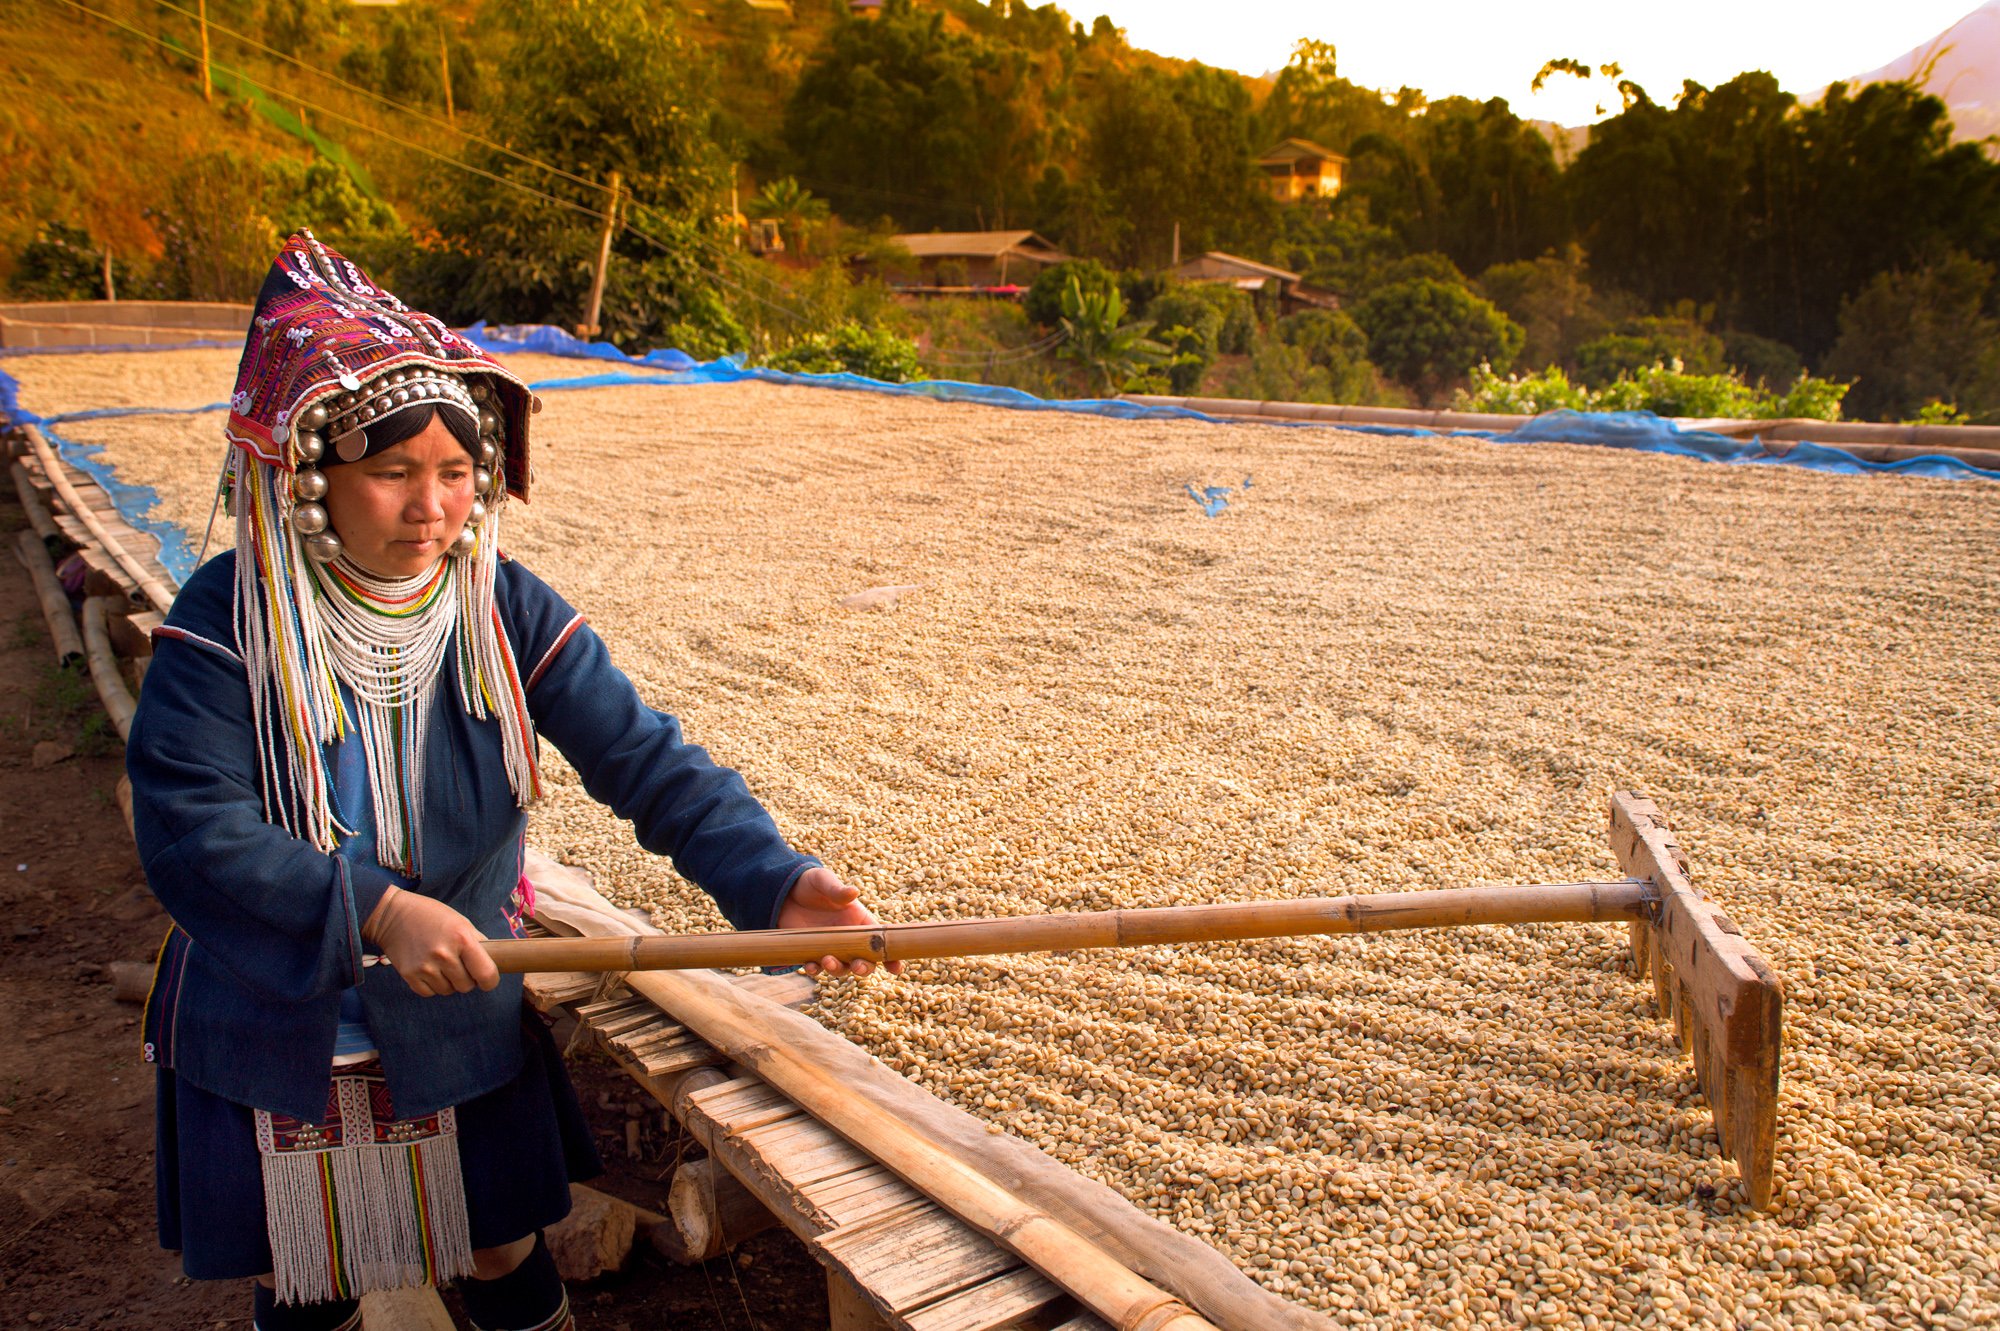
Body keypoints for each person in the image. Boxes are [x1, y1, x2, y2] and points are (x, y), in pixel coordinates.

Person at [129, 231, 893, 1331]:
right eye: (391, 472)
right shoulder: (230, 619)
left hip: (452, 1003)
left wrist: (771, 879)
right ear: (309, 476)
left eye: (453, 472)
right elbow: (192, 823)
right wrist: (377, 910)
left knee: (498, 1239)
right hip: (278, 1002)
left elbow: (641, 754)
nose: (429, 507)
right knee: (311, 1258)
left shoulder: (499, 606)